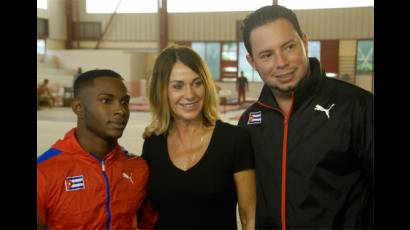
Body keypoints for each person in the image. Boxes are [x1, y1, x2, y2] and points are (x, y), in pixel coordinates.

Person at [238, 5, 373, 229]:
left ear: (305, 42)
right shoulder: (250, 122)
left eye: (289, 47)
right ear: (252, 62)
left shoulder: (358, 107)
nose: (281, 63)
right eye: (267, 55)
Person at [142, 45, 256, 229]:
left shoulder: (234, 140)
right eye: (178, 86)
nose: (190, 95)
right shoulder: (152, 143)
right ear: (162, 91)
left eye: (197, 83)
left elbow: (249, 216)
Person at [37, 69, 157, 229]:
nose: (121, 110)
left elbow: (148, 224)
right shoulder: (44, 172)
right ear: (78, 107)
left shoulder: (138, 168)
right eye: (106, 100)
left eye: (124, 102)